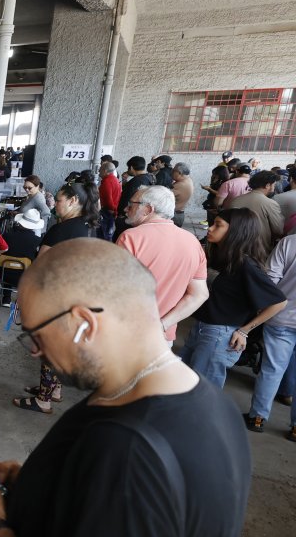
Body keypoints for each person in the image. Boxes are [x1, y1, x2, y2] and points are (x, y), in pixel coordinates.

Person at [0, 238, 251, 537]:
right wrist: (40, 484)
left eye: (36, 336)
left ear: (83, 324)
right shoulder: (214, 405)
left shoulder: (127, 452)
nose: (37, 352)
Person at [12, 180, 100, 413]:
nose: (54, 205)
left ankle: (43, 399)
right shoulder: (89, 226)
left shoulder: (61, 229)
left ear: (73, 201)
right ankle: (54, 389)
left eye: (58, 201)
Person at [179, 208, 286, 387]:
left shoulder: (246, 265)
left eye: (218, 225)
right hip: (201, 328)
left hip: (219, 335)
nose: (211, 228)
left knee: (202, 392)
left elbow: (279, 301)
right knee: (185, 383)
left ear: (236, 231)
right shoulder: (222, 257)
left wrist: (245, 330)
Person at [117, 186, 209, 347]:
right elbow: (199, 294)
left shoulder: (131, 237)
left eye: (131, 204)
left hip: (128, 335)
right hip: (163, 338)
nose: (126, 208)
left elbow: (114, 289)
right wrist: (163, 324)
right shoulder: (192, 242)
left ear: (147, 209)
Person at [244, 233, 296, 436]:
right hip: (282, 319)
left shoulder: (290, 242)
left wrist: (261, 309)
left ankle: (257, 417)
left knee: (272, 369)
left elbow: (270, 280)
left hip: (281, 317)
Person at [0, 209, 43, 306]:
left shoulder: (7, 235)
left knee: (8, 265)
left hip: (5, 275)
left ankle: (6, 299)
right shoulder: (37, 240)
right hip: (25, 277)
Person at [225, 170, 284, 246]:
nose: (274, 187)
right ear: (267, 185)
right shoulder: (270, 203)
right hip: (259, 247)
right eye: (274, 185)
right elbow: (278, 229)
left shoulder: (235, 200)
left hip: (235, 245)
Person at [114, 156, 154, 240]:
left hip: (128, 217)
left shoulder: (136, 181)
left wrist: (121, 214)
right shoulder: (149, 178)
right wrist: (124, 180)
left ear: (131, 167)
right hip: (140, 215)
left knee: (121, 240)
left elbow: (126, 199)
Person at [97, 161, 120, 240]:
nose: (98, 171)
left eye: (100, 169)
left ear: (105, 171)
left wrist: (113, 211)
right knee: (108, 233)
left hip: (108, 212)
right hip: (112, 211)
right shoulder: (114, 179)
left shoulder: (107, 182)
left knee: (104, 235)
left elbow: (108, 200)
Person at [170, 162, 195, 228]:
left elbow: (163, 196)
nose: (172, 172)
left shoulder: (180, 185)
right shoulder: (188, 180)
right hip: (179, 214)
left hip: (175, 215)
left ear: (179, 173)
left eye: (174, 170)